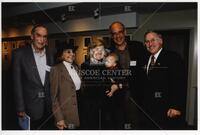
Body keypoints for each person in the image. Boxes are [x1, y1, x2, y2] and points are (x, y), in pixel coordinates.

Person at [12, 24, 55, 130]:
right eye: (38, 35)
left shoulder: (50, 53)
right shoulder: (20, 54)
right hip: (30, 106)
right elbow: (16, 83)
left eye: (44, 37)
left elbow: (50, 80)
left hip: (48, 106)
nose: (42, 40)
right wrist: (20, 107)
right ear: (32, 36)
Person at [141, 31, 186, 129]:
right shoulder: (144, 59)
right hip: (148, 110)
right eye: (147, 41)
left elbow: (179, 83)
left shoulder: (173, 57)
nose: (150, 44)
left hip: (166, 110)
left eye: (153, 40)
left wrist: (176, 106)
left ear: (160, 41)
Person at [109, 21, 147, 129]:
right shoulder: (108, 53)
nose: (118, 36)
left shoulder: (137, 47)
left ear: (125, 32)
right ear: (111, 36)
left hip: (137, 96)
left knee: (137, 125)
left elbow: (145, 69)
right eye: (114, 33)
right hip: (117, 99)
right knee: (119, 126)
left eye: (120, 32)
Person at [50, 42, 82, 130]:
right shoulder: (56, 69)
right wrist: (59, 118)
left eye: (73, 52)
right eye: (68, 52)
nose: (72, 54)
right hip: (66, 113)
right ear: (61, 54)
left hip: (80, 109)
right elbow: (54, 97)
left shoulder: (76, 67)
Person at [81, 39, 108, 129]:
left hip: (104, 103)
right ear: (91, 51)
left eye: (101, 49)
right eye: (96, 49)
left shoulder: (104, 64)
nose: (99, 52)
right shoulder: (86, 65)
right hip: (92, 104)